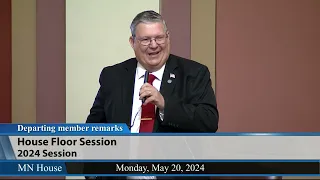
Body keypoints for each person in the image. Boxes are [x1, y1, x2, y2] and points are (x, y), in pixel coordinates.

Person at [84, 10, 219, 179]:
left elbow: (209, 121)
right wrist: (92, 174)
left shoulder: (194, 73)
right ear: (132, 42)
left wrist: (165, 105)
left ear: (168, 37)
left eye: (159, 38)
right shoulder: (113, 76)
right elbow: (93, 130)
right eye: (146, 39)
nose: (154, 45)